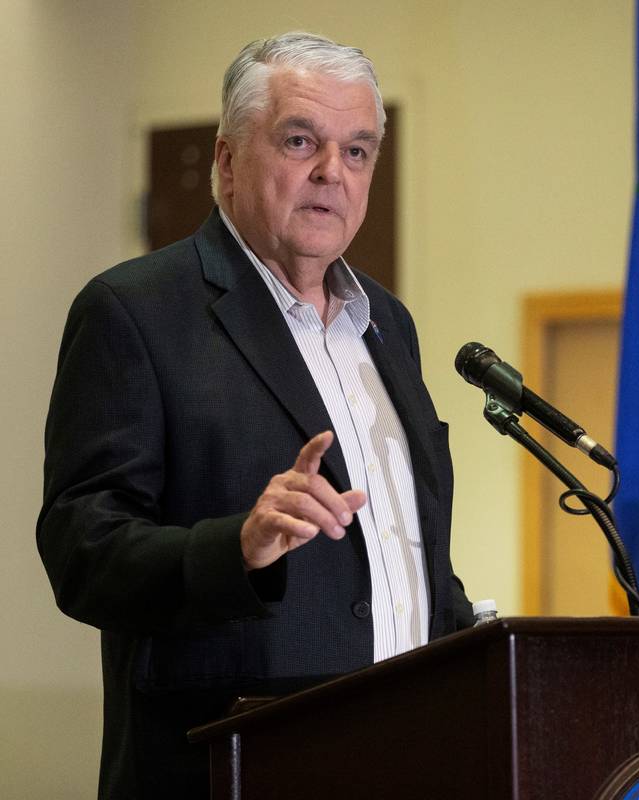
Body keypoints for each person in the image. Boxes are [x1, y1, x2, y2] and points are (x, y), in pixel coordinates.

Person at [37, 32, 474, 799]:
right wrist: (235, 548)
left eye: (358, 151)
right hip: (228, 770)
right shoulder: (135, 312)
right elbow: (82, 550)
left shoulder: (388, 324)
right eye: (300, 140)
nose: (331, 173)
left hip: (407, 759)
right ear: (228, 160)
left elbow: (406, 556)